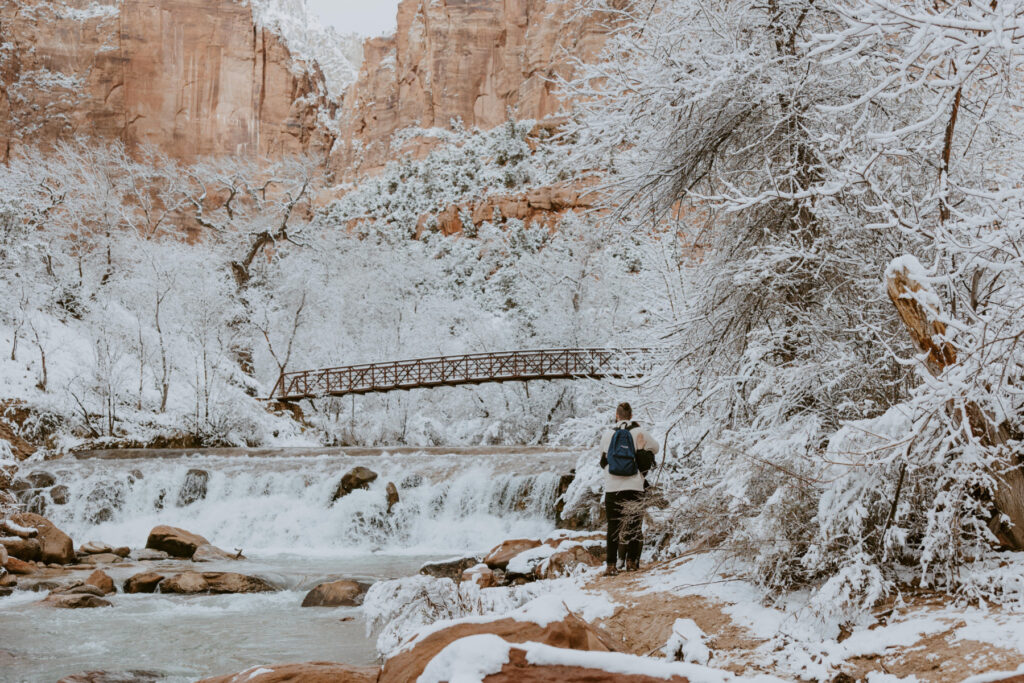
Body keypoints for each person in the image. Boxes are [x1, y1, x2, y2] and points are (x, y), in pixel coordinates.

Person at [599, 401, 658, 575]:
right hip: (635, 485)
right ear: (631, 416)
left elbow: (603, 461)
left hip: (612, 486)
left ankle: (610, 566)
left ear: (617, 416)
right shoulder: (640, 432)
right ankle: (632, 563)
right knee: (634, 525)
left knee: (613, 526)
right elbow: (656, 448)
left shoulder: (608, 434)